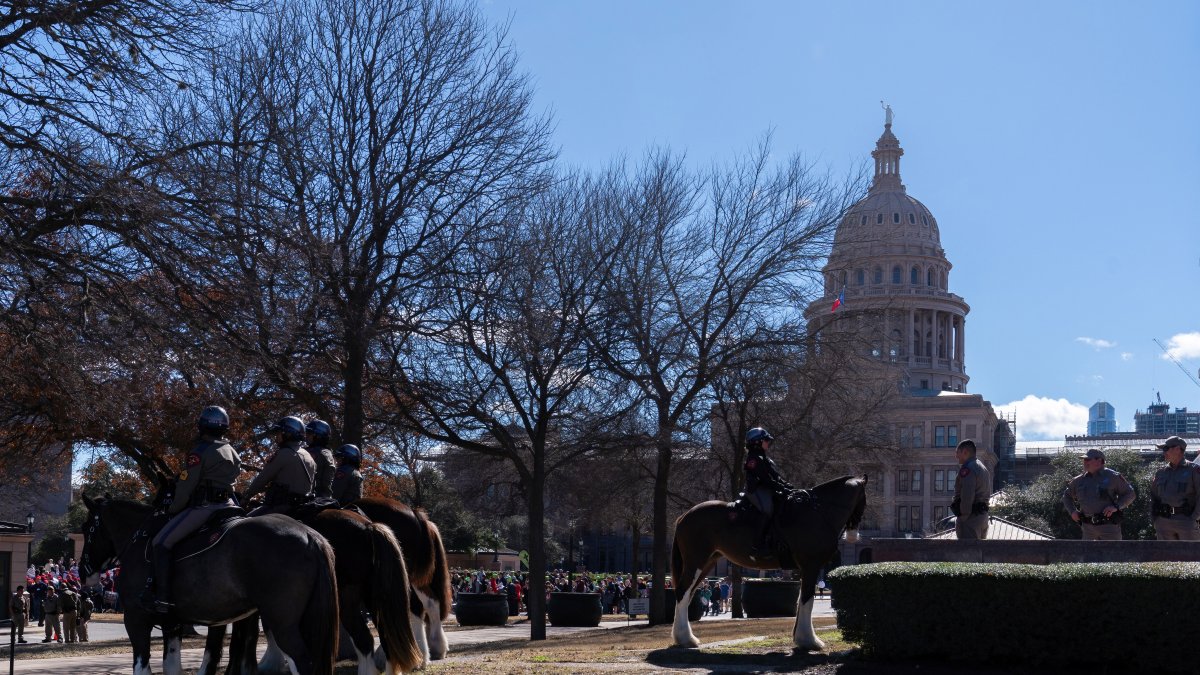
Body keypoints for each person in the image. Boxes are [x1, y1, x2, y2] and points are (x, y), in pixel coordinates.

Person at [145, 405, 242, 613]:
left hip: (206, 507)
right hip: (230, 506)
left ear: (202, 426)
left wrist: (174, 508)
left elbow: (185, 487)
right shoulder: (233, 451)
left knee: (160, 542)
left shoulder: (200, 451)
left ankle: (163, 598)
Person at [243, 416, 316, 516]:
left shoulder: (283, 453)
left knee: (244, 521)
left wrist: (246, 496)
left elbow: (262, 479)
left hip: (280, 508)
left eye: (279, 433)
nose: (276, 437)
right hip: (302, 509)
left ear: (288, 434)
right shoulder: (309, 457)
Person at [1061, 448, 1135, 540]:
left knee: (1114, 550)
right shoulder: (1079, 480)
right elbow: (1066, 496)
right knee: (1086, 550)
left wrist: (1116, 507)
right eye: (1084, 459)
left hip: (1109, 528)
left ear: (1099, 461)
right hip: (1088, 529)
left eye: (1088, 459)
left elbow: (1130, 494)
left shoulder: (1113, 477)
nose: (1084, 462)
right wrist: (1072, 511)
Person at [743, 427, 794, 559]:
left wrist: (786, 485)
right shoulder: (753, 459)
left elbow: (774, 475)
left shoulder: (763, 457)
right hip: (755, 490)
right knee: (768, 510)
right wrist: (781, 487)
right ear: (757, 442)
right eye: (765, 440)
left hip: (765, 488)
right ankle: (756, 546)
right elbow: (765, 479)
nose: (768, 443)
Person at [1150, 436, 1200, 541]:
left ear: (1177, 449)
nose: (1164, 452)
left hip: (1186, 522)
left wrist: (1193, 519)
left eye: (1166, 449)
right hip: (1163, 522)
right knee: (1165, 552)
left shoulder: (1194, 470)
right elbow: (1154, 497)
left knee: (1190, 552)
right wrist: (1156, 519)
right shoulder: (1161, 472)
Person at [952, 439, 992, 540]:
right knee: (979, 549)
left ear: (965, 452)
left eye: (958, 452)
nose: (956, 456)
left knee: (967, 549)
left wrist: (963, 517)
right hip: (982, 517)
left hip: (970, 520)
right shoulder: (983, 468)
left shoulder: (968, 468)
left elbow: (967, 495)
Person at [306, 419, 337, 500]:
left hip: (314, 499)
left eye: (310, 434)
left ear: (318, 436)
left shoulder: (320, 454)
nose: (306, 436)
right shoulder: (328, 453)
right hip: (319, 497)